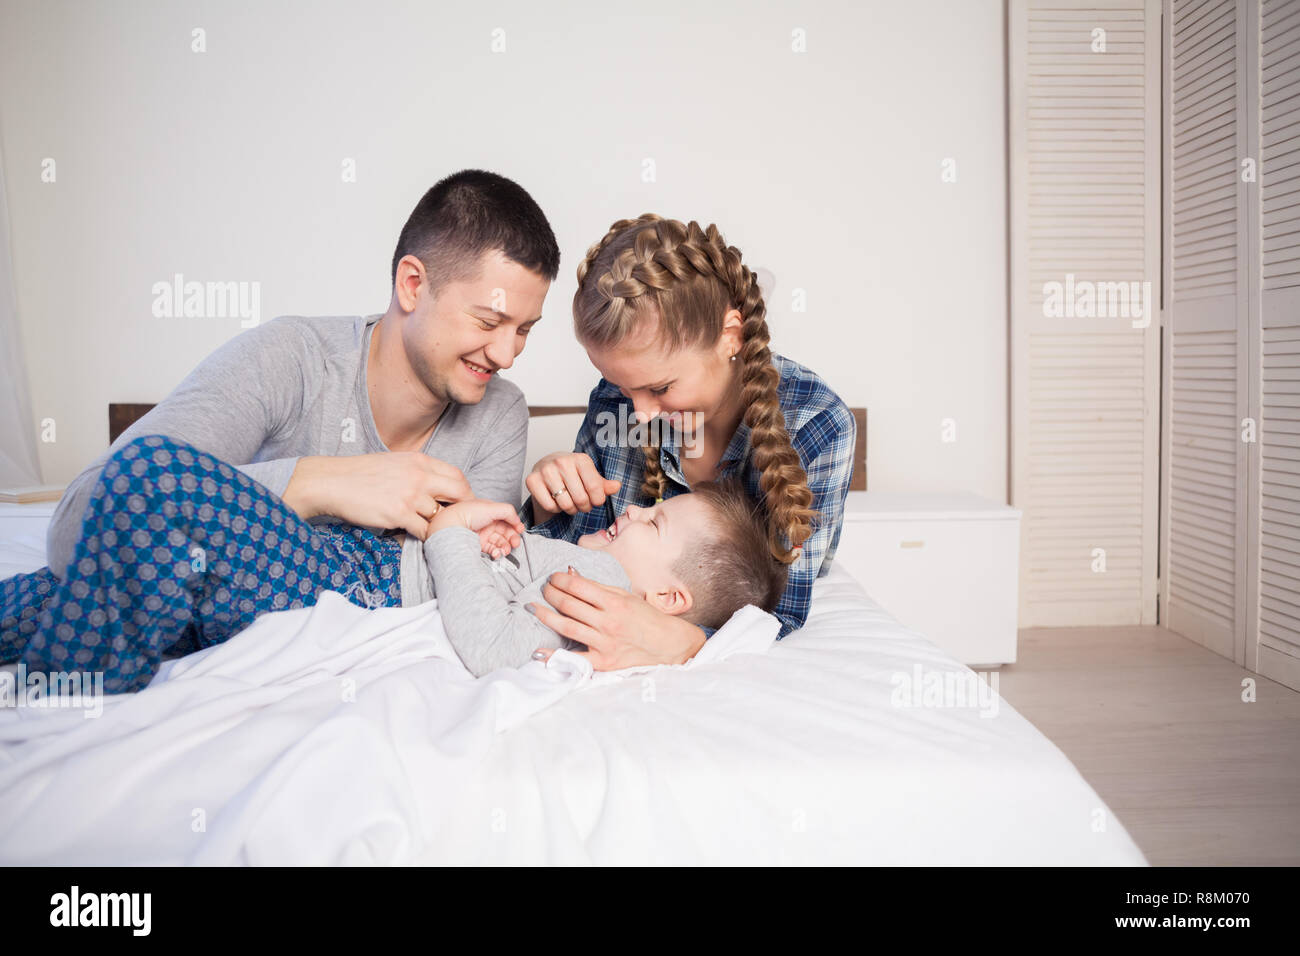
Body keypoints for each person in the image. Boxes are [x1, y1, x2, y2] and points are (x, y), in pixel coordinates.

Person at [1, 170, 560, 690]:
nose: (507, 354)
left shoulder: (498, 414)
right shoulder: (289, 359)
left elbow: (474, 593)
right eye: (489, 322)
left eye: (525, 331)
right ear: (413, 284)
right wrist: (316, 483)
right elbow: (84, 518)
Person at [519, 215, 856, 671]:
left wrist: (681, 640)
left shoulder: (818, 426)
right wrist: (551, 501)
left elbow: (782, 612)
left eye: (660, 388)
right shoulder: (617, 403)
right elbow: (582, 547)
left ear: (730, 337)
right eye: (619, 385)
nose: (638, 414)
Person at [419, 478, 786, 677]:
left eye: (655, 523)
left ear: (667, 597)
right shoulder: (592, 568)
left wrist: (449, 532)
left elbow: (494, 647)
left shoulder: (600, 579)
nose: (632, 509)